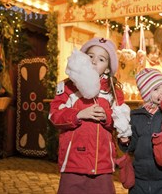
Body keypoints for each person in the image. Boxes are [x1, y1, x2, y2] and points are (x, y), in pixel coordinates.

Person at [49, 37, 132, 194]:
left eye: (101, 59)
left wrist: (107, 117)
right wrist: (78, 114)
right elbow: (54, 115)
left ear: (107, 68)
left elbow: (120, 121)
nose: (94, 61)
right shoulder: (68, 87)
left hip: (102, 163)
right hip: (74, 162)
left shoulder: (113, 91)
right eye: (90, 56)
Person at [119, 68, 162, 194]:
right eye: (155, 89)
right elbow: (131, 146)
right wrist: (125, 141)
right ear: (146, 95)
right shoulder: (136, 116)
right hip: (140, 179)